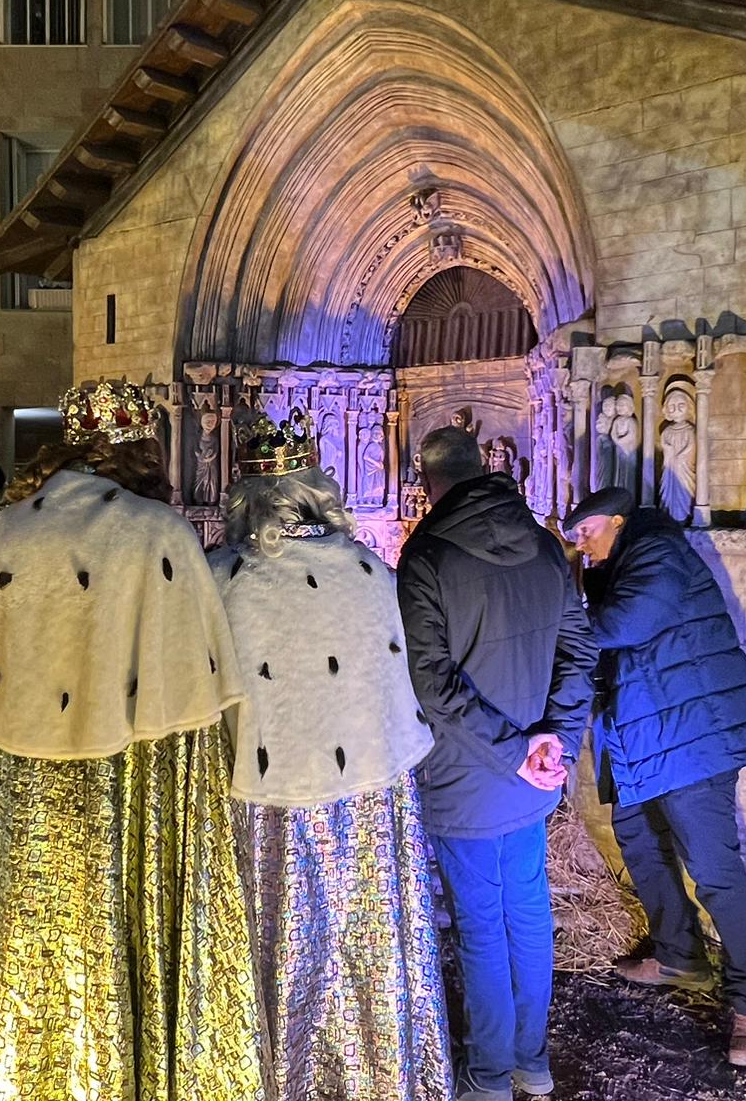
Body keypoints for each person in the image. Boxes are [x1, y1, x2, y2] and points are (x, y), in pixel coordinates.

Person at [0, 380, 266, 1100]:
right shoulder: (157, 535)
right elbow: (192, 717)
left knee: (23, 939)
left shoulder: (3, 532)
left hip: (13, 799)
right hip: (129, 792)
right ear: (143, 452)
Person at [211, 408, 450, 1101]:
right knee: (365, 936)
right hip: (373, 797)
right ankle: (380, 1074)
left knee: (283, 941)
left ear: (244, 503)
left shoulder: (225, 575)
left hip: (267, 797)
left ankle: (277, 1078)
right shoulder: (370, 568)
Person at [396, 425, 597, 1101]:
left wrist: (516, 752)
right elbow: (579, 650)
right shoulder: (544, 544)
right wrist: (557, 744)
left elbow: (433, 685)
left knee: (483, 924)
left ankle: (486, 1078)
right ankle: (531, 1065)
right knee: (528, 913)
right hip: (536, 776)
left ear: (429, 483)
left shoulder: (427, 555)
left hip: (467, 778)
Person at [565, 486, 746, 1067]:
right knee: (638, 840)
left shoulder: (657, 551)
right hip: (644, 737)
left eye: (585, 531)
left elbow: (622, 627)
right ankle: (679, 956)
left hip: (694, 737)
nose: (580, 545)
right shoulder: (618, 567)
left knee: (714, 870)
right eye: (573, 538)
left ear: (617, 520)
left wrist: (553, 613)